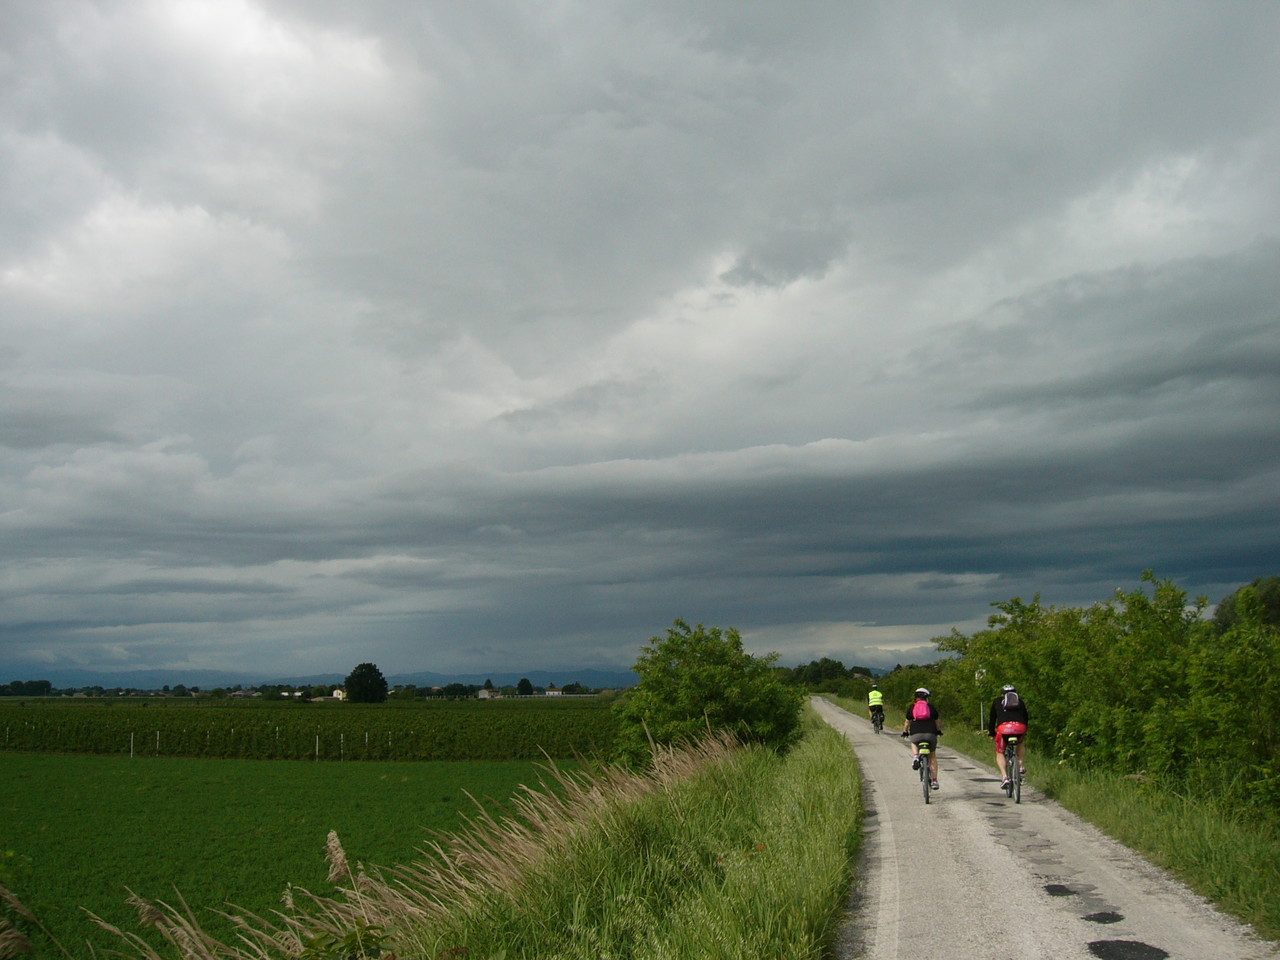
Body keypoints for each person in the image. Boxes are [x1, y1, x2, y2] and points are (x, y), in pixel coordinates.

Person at [988, 683, 1029, 789]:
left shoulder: (997, 701)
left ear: (1002, 694)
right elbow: (1026, 717)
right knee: (1020, 743)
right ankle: (1020, 766)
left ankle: (1005, 777)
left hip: (1004, 729)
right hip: (1020, 727)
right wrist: (1025, 730)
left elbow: (992, 719)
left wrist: (991, 733)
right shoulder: (1020, 701)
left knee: (1000, 752)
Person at [901, 687, 942, 789]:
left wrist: (905, 731)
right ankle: (935, 781)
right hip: (930, 734)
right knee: (932, 756)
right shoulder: (930, 707)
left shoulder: (912, 707)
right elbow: (937, 721)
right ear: (927, 697)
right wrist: (938, 731)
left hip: (916, 734)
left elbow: (907, 722)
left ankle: (915, 756)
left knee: (913, 742)